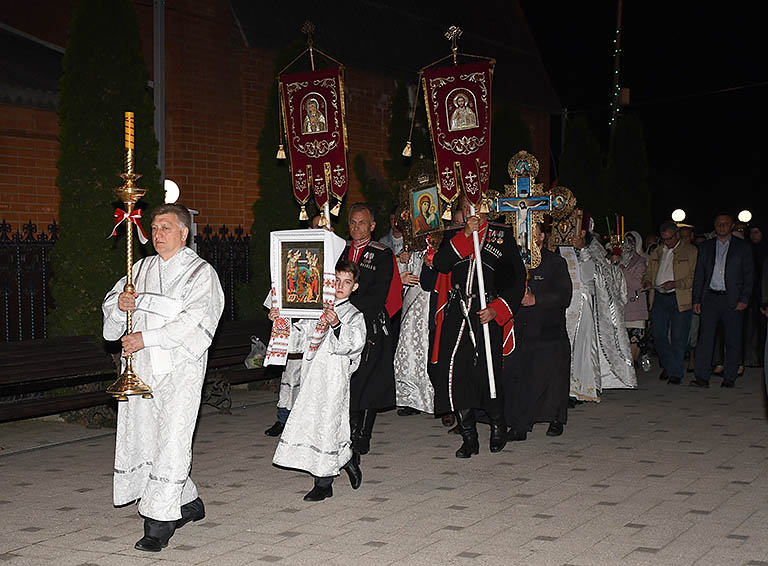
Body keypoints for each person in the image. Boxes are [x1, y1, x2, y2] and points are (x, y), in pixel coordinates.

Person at [102, 203, 224, 552]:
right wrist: (120, 306)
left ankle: (159, 520)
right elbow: (111, 310)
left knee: (172, 437)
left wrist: (148, 337)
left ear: (184, 233)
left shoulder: (201, 274)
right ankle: (187, 502)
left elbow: (197, 323)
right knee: (145, 436)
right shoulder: (137, 269)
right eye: (154, 228)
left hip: (178, 371)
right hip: (141, 368)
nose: (157, 234)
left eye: (166, 228)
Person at [431, 196, 526, 457]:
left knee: (488, 372)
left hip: (487, 313)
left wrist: (498, 308)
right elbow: (441, 264)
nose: (473, 211)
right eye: (466, 207)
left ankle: (498, 426)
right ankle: (469, 436)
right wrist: (465, 234)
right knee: (456, 373)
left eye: (478, 206)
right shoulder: (454, 235)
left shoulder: (501, 235)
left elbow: (516, 280)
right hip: (459, 312)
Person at [272, 259, 366, 502]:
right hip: (312, 374)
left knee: (328, 423)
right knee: (313, 422)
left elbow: (354, 344)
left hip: (335, 378)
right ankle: (347, 458)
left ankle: (323, 482)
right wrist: (280, 320)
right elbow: (298, 340)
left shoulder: (354, 314)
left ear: (354, 287)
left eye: (347, 282)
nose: (340, 286)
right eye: (336, 281)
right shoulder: (315, 310)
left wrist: (336, 324)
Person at [504, 222, 572, 439]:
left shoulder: (555, 262)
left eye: (531, 234)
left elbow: (564, 296)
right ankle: (520, 425)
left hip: (548, 328)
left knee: (553, 378)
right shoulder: (513, 262)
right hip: (522, 329)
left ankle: (556, 418)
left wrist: (537, 299)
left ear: (542, 236)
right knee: (521, 377)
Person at [345, 203, 401, 454]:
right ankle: (349, 429)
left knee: (368, 383)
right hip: (343, 325)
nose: (357, 227)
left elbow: (380, 294)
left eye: (362, 223)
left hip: (370, 326)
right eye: (353, 223)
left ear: (372, 226)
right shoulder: (340, 250)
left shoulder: (381, 253)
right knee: (349, 382)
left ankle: (363, 435)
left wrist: (350, 313)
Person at [264, 215, 324, 436]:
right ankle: (283, 418)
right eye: (317, 226)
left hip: (319, 327)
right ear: (309, 228)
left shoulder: (331, 256)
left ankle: (308, 422)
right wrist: (276, 310)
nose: (321, 229)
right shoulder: (293, 254)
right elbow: (282, 287)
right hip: (296, 326)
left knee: (313, 376)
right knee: (290, 374)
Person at [569, 217, 636, 401]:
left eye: (581, 232)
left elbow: (593, 274)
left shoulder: (594, 249)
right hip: (566, 307)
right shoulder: (561, 247)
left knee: (583, 348)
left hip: (585, 305)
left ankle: (582, 388)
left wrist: (583, 251)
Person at [692, 213, 754, 387]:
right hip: (710, 297)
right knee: (705, 338)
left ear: (732, 226)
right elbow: (699, 275)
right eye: (718, 223)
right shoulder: (705, 247)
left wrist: (744, 298)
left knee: (732, 339)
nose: (721, 226)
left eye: (725, 223)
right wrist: (696, 299)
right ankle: (701, 377)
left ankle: (730, 376)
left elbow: (749, 275)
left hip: (732, 299)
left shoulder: (742, 247)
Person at [643, 221, 698, 384]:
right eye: (664, 239)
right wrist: (647, 282)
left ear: (677, 235)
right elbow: (648, 273)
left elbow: (693, 277)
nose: (667, 242)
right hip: (659, 297)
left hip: (679, 298)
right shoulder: (657, 252)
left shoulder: (690, 251)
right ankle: (670, 365)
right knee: (658, 335)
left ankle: (676, 372)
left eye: (670, 238)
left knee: (678, 337)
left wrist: (675, 283)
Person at [394, 247, 435, 416]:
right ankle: (410, 398)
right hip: (412, 302)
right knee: (408, 349)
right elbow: (403, 275)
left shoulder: (440, 243)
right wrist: (402, 261)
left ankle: (434, 399)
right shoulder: (411, 246)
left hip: (432, 301)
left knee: (430, 350)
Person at [620, 231, 649, 367]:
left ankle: (630, 368)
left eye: (631, 242)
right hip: (621, 306)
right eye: (626, 241)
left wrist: (622, 270)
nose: (628, 245)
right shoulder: (618, 259)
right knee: (623, 339)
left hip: (635, 305)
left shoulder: (641, 261)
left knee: (634, 339)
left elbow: (637, 284)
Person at [743, 222, 767, 367]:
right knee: (749, 328)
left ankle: (762, 358)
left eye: (757, 232)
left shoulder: (765, 250)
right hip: (750, 295)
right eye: (752, 232)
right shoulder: (747, 249)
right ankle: (751, 358)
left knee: (762, 328)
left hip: (762, 295)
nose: (754, 235)